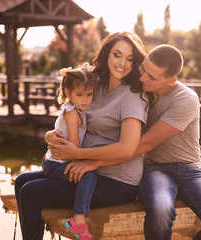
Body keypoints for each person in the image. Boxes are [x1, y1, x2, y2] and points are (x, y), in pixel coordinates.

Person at [49, 44, 201, 240]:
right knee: (160, 211)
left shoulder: (186, 99)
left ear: (171, 80)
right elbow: (80, 89)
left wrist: (93, 161)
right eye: (144, 69)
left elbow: (143, 145)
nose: (142, 78)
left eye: (152, 77)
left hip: (192, 170)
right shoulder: (140, 89)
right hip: (156, 170)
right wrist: (50, 134)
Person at [15, 31, 149, 240]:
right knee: (22, 180)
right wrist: (50, 135)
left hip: (116, 180)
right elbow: (69, 107)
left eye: (130, 59)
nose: (122, 63)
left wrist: (78, 154)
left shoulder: (132, 96)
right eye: (117, 55)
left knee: (30, 192)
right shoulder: (95, 83)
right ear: (106, 55)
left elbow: (127, 148)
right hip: (87, 168)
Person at [42, 65, 96, 240]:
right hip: (55, 163)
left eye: (89, 94)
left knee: (86, 174)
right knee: (88, 176)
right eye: (80, 95)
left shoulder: (77, 108)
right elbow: (74, 144)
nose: (85, 99)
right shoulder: (72, 112)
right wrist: (87, 160)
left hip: (60, 160)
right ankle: (77, 220)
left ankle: (78, 219)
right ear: (68, 92)